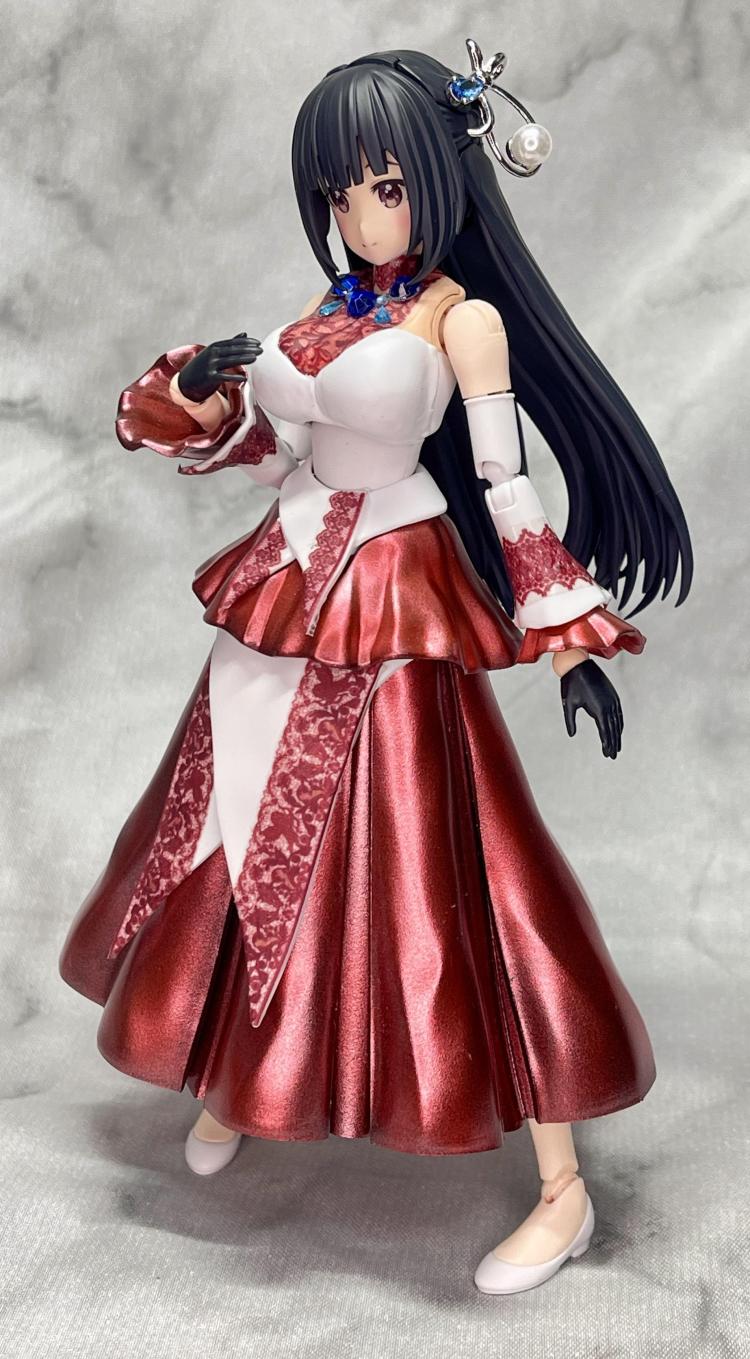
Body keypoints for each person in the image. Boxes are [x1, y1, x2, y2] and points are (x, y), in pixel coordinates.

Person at [59, 42, 692, 1296]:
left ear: (440, 183)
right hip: (284, 585)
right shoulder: (330, 309)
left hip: (392, 595)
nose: (360, 214)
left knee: (443, 865)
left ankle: (561, 1187)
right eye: (340, 192)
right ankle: (242, 1072)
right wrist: (207, 397)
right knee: (237, 825)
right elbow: (277, 444)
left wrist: (571, 642)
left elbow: (506, 489)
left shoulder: (464, 319)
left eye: (385, 186)